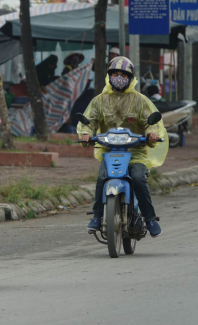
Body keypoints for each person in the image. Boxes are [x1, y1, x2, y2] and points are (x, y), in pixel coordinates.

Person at [77, 56, 168, 238]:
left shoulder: (140, 100)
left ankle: (150, 219)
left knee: (138, 178)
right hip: (109, 151)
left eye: (123, 75)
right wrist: (85, 134)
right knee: (102, 177)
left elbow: (152, 121)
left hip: (135, 152)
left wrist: (152, 133)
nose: (119, 78)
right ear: (109, 77)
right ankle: (97, 216)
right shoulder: (99, 100)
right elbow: (89, 121)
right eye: (115, 74)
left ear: (130, 78)